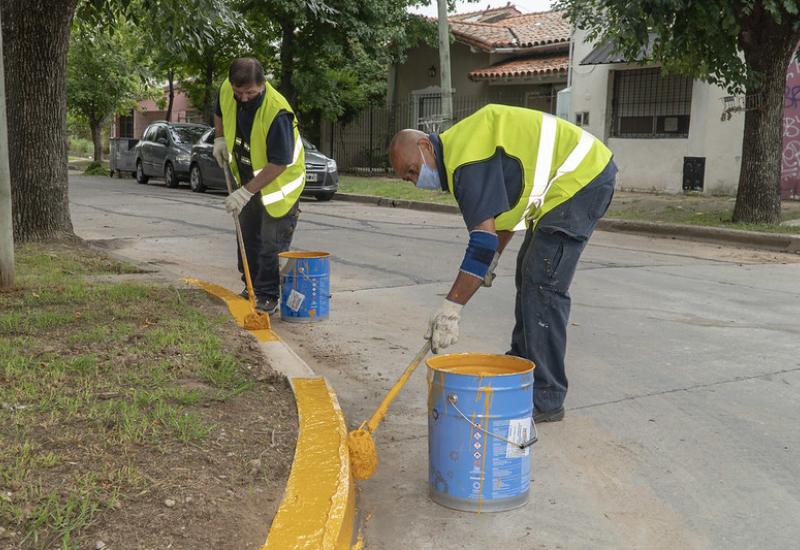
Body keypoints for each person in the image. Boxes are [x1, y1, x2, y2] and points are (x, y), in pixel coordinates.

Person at [388, 104, 616, 423]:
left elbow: (481, 241)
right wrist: (495, 256)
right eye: (407, 178)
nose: (414, 180)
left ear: (425, 146)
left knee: (543, 281)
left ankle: (546, 395)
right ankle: (522, 364)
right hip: (569, 182)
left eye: (412, 170)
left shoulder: (465, 163)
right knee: (529, 272)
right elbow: (502, 218)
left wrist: (451, 309)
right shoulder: (462, 153)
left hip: (583, 177)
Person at [213, 57, 305, 314]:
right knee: (247, 237)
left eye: (250, 93)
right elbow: (220, 110)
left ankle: (267, 295)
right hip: (248, 179)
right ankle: (250, 286)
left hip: (279, 187)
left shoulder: (277, 113)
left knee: (270, 244)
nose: (243, 99)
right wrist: (219, 138)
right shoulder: (226, 90)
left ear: (263, 84)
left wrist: (244, 193)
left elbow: (279, 163)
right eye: (238, 93)